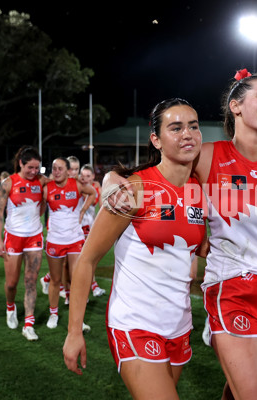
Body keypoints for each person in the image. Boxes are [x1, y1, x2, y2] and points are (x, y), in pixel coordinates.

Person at [105, 70, 257, 399]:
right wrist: (110, 181)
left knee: (238, 393)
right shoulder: (209, 155)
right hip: (231, 287)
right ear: (236, 106)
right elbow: (155, 175)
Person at [63, 98, 205, 399]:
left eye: (193, 126)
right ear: (156, 139)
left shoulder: (200, 191)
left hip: (179, 325)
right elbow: (87, 260)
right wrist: (74, 331)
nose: (187, 134)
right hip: (134, 323)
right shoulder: (134, 191)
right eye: (175, 128)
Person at [0, 146, 50, 341]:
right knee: (11, 284)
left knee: (30, 281)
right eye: (30, 168)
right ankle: (10, 307)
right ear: (21, 164)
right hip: (13, 238)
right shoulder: (8, 184)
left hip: (34, 237)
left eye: (37, 168)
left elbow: (48, 198)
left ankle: (28, 324)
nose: (34, 172)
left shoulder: (42, 181)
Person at [43, 157, 96, 330]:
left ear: (67, 170)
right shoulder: (47, 188)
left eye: (60, 168)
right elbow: (39, 209)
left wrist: (82, 210)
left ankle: (77, 320)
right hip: (54, 240)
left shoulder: (77, 185)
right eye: (54, 168)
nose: (56, 171)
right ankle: (53, 313)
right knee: (56, 280)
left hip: (75, 239)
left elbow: (94, 193)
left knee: (76, 279)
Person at [78, 163, 105, 297]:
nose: (85, 178)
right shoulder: (77, 186)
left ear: (93, 177)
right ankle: (93, 287)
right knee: (82, 258)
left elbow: (101, 207)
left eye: (88, 176)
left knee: (89, 257)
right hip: (77, 226)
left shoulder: (96, 187)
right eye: (83, 175)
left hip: (90, 226)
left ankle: (93, 286)